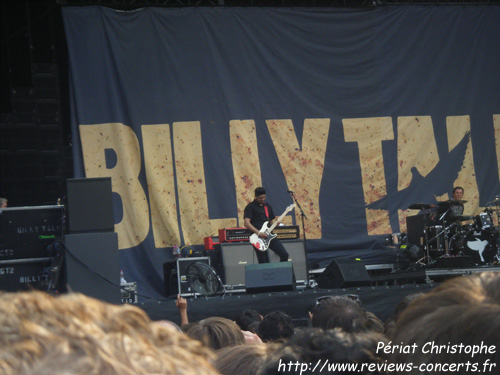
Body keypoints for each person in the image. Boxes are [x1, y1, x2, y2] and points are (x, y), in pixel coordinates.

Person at [243, 187, 289, 263]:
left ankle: (282, 273)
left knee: (284, 254)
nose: (262, 199)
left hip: (269, 235)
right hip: (257, 237)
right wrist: (258, 233)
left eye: (264, 197)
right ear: (255, 196)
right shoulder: (250, 207)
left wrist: (275, 224)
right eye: (260, 198)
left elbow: (270, 222)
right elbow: (246, 223)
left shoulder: (267, 206)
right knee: (263, 261)